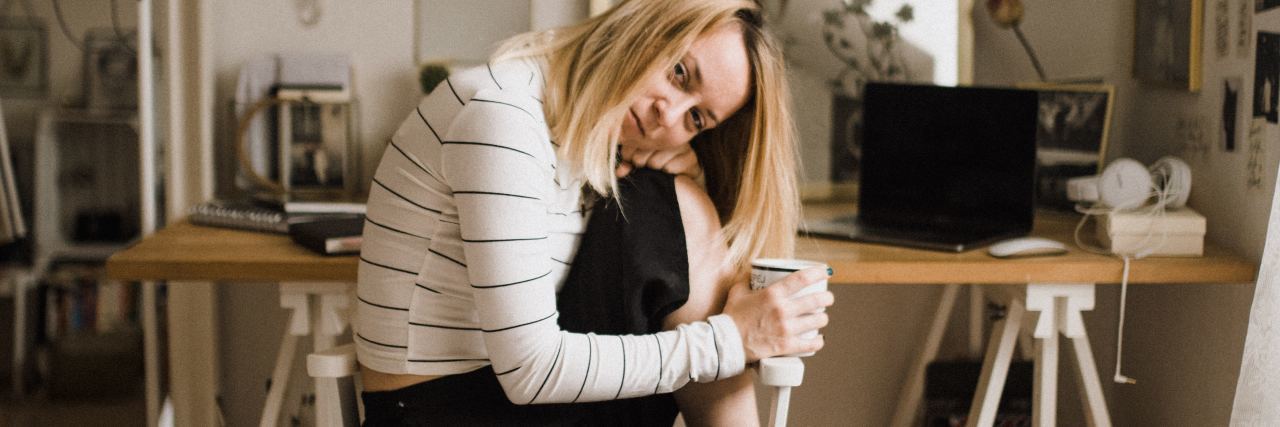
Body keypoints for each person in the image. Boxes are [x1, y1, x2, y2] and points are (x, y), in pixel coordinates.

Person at [354, 0, 833, 424]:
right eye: (680, 73)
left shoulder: (583, 136)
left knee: (674, 205)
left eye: (696, 119)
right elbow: (532, 372)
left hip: (501, 397)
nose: (668, 116)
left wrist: (693, 179)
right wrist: (730, 339)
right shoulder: (502, 119)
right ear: (646, 22)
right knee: (676, 209)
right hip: (441, 410)